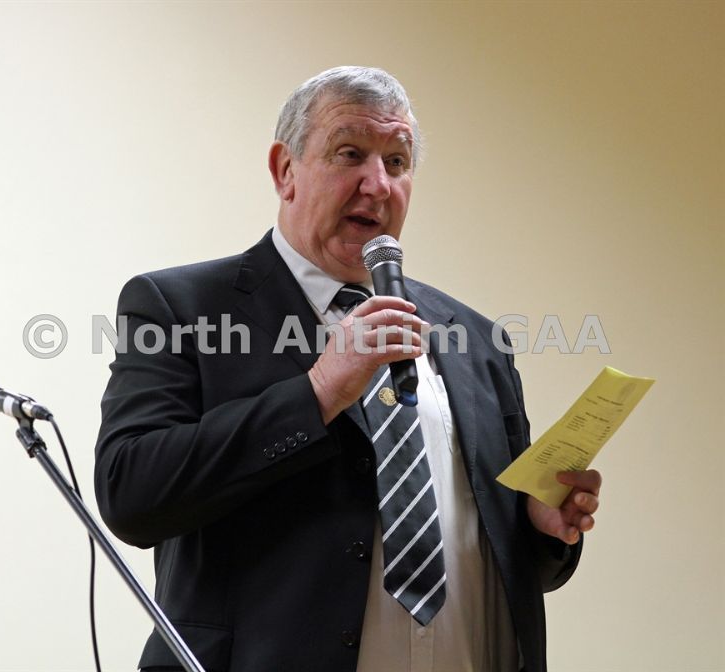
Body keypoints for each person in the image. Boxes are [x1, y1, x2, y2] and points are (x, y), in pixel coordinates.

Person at [94, 66, 602, 672]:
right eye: (350, 153)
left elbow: (507, 563)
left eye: (397, 161)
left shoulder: (476, 339)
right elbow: (131, 492)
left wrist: (539, 528)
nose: (378, 183)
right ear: (285, 170)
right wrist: (318, 391)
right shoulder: (183, 308)